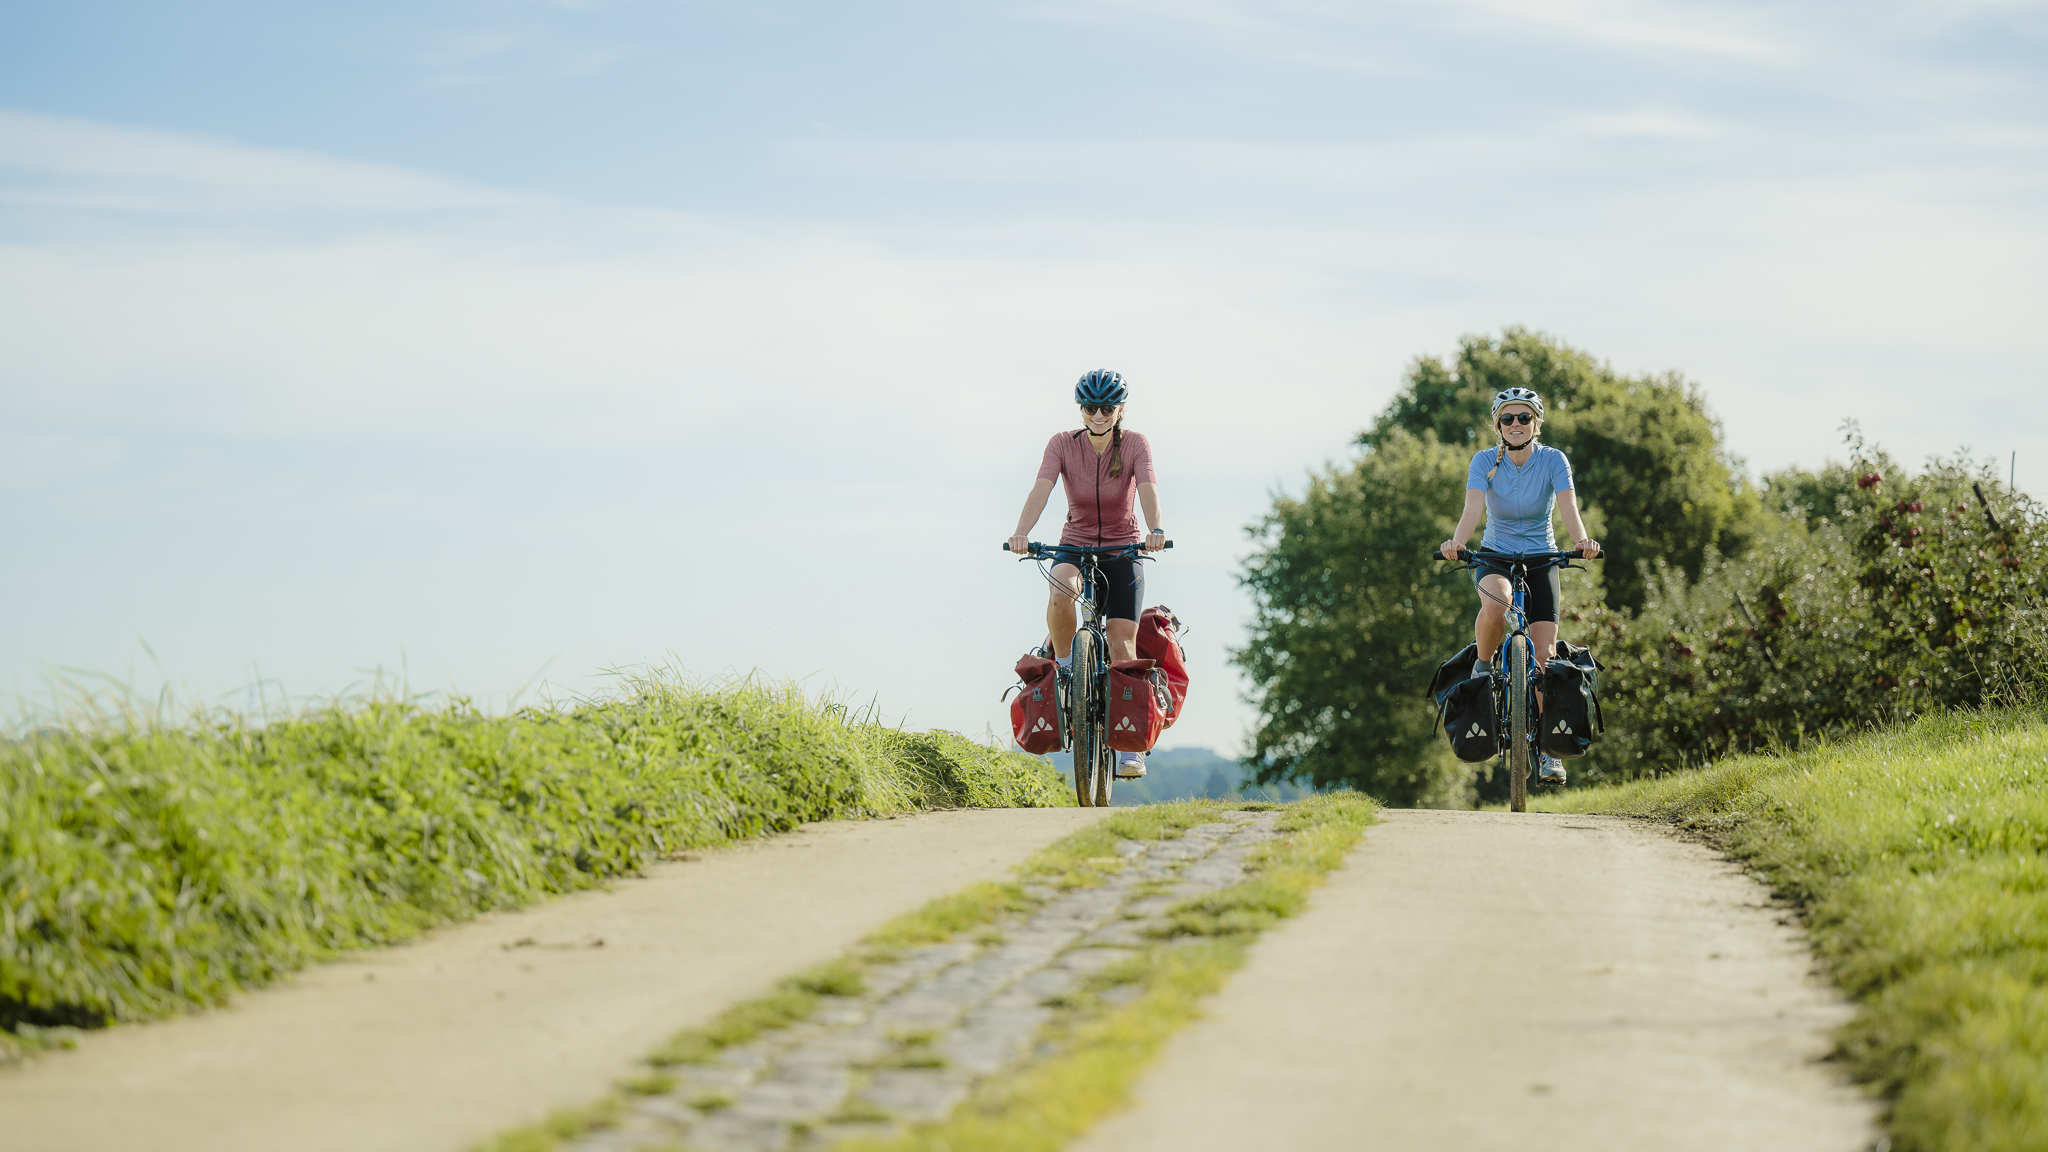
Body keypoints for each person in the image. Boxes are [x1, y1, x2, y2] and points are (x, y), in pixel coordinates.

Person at [1007, 369, 1166, 779]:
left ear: (1120, 410)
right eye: (1092, 407)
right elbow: (1041, 488)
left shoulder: (1134, 444)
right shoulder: (1062, 444)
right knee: (1061, 592)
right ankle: (1065, 671)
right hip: (1074, 541)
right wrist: (1021, 533)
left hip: (1123, 545)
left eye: (1107, 407)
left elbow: (1147, 488)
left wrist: (1156, 531)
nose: (1099, 414)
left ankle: (1133, 751)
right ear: (1081, 409)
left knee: (1121, 641)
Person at [1438, 386, 1600, 785]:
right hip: (1495, 553)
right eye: (1508, 418)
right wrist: (1457, 543)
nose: (1515, 424)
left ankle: (1548, 754)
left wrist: (1581, 541)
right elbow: (1473, 508)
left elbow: (1567, 506)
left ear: (1536, 424)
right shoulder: (1484, 462)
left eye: (1523, 417)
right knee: (1498, 604)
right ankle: (1482, 665)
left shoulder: (1553, 460)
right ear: (1498, 425)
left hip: (1543, 557)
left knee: (1545, 657)